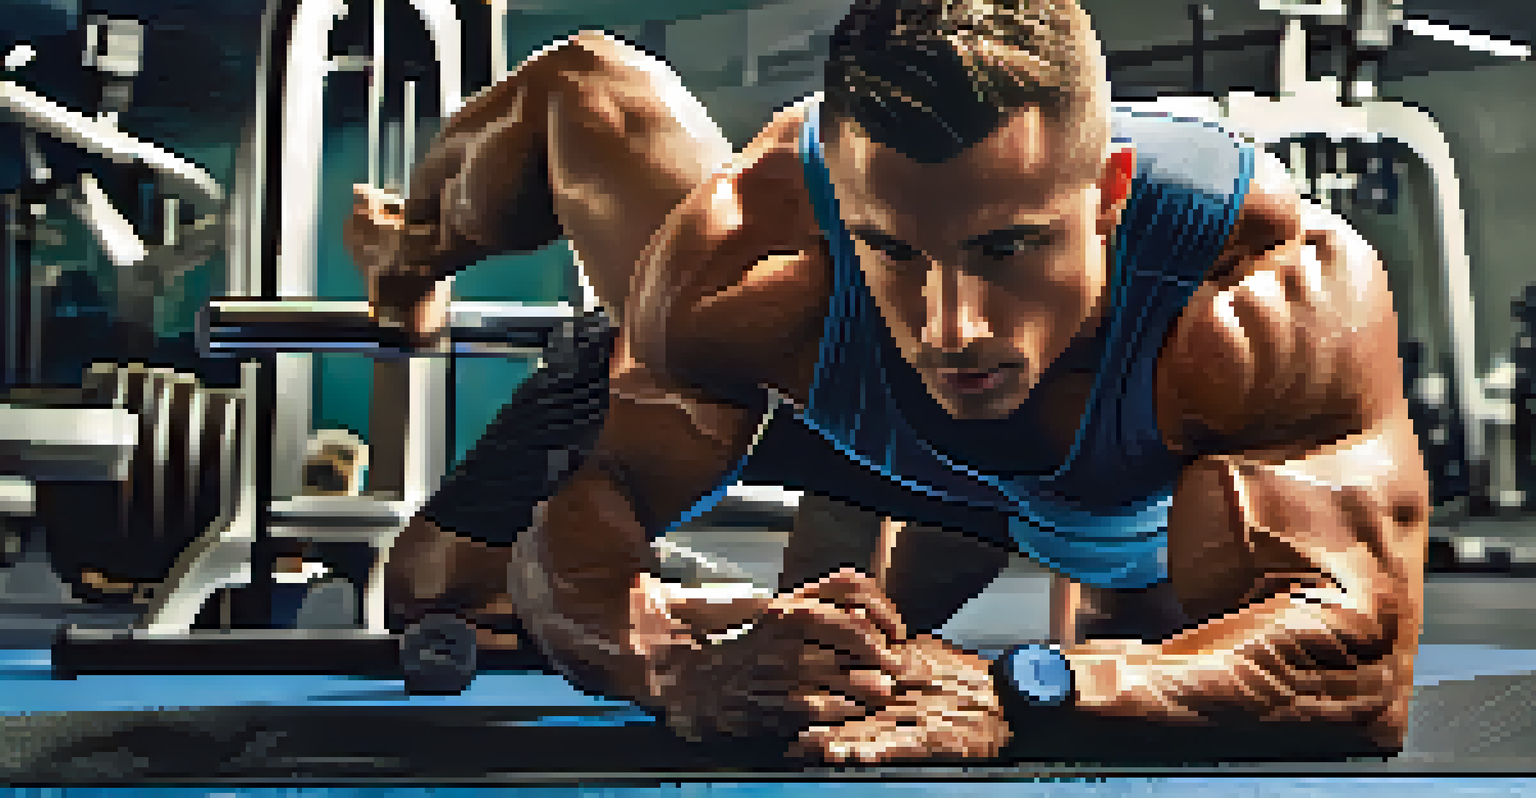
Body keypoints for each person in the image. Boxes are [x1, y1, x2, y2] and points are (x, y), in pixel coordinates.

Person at [348, 0, 1430, 764]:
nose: (950, 324)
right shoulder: (749, 265)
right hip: (877, 440)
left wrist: (1034, 684)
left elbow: (1360, 670)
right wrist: (679, 673)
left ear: (1107, 195)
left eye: (1009, 248)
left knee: (1141, 650)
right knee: (431, 587)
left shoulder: (1257, 296)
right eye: (896, 252)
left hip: (1122, 495)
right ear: (841, 209)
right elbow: (573, 539)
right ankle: (404, 256)